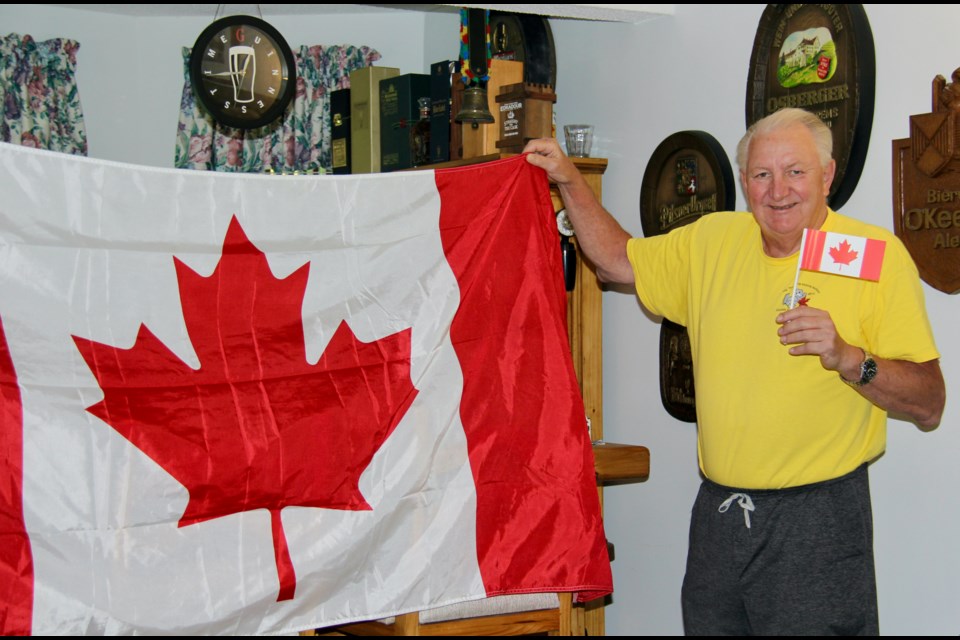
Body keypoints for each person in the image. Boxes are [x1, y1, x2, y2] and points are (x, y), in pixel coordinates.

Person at [524, 107, 945, 636]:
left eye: (796, 171)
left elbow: (930, 403)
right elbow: (616, 260)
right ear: (745, 182)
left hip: (818, 519)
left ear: (828, 174)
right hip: (720, 516)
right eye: (763, 174)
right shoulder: (713, 240)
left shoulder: (873, 256)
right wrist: (569, 181)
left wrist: (849, 358)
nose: (779, 190)